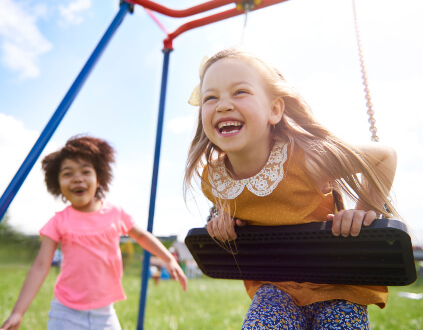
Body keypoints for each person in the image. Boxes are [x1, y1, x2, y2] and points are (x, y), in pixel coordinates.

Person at [184, 48, 399, 329]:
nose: (223, 105)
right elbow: (239, 211)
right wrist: (222, 222)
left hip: (339, 285)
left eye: (240, 92)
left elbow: (385, 156)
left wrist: (363, 211)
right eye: (210, 97)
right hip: (276, 286)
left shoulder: (306, 160)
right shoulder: (214, 180)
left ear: (274, 109)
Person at [1, 135, 187, 330]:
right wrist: (17, 312)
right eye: (67, 173)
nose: (77, 178)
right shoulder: (58, 222)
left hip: (104, 314)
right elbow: (40, 266)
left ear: (99, 179)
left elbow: (141, 236)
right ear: (57, 184)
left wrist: (168, 258)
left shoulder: (115, 213)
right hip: (65, 313)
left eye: (85, 171)